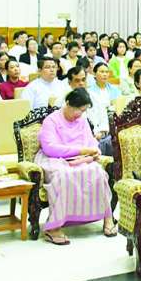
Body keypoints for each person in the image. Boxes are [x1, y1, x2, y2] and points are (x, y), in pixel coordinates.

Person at [35, 89, 117, 245]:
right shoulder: (51, 121)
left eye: (83, 110)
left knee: (98, 172)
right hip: (55, 159)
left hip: (80, 159)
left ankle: (108, 218)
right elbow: (50, 148)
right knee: (63, 176)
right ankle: (54, 227)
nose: (80, 114)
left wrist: (95, 151)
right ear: (68, 104)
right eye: (78, 109)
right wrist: (82, 151)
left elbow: (91, 142)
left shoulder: (82, 120)